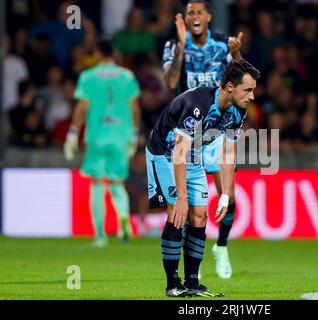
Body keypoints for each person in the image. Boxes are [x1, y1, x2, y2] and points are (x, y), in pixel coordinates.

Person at [147, 59, 259, 297]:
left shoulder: (238, 111)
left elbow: (228, 152)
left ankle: (192, 282)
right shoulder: (198, 104)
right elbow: (178, 151)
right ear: (230, 86)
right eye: (248, 90)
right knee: (177, 213)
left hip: (193, 155)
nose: (252, 96)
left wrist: (226, 194)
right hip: (165, 153)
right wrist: (182, 197)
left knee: (199, 216)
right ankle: (172, 284)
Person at [162, 0, 243, 280]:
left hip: (216, 129)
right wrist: (182, 48)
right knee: (184, 208)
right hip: (188, 129)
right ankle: (185, 274)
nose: (195, 16)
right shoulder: (174, 46)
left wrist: (238, 54)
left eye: (199, 12)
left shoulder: (223, 45)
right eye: (190, 13)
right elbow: (171, 83)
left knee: (227, 196)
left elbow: (240, 81)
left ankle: (221, 247)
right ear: (185, 19)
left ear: (209, 16)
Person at [64, 39, 141, 247]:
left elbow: (82, 107)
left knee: (98, 183)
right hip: (121, 137)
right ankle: (123, 225)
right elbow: (134, 108)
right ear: (113, 54)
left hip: (97, 136)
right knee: (117, 184)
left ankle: (100, 235)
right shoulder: (126, 76)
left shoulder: (88, 76)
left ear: (97, 54)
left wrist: (72, 133)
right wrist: (134, 134)